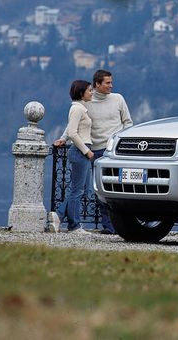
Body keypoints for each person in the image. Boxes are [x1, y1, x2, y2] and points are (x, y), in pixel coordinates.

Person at [54, 69, 133, 234]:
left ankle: (109, 226)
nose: (111, 86)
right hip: (89, 150)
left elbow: (127, 123)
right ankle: (63, 218)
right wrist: (63, 138)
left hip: (111, 151)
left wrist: (123, 145)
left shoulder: (118, 99)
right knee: (87, 190)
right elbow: (73, 125)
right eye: (107, 83)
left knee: (108, 189)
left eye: (111, 82)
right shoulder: (86, 102)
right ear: (97, 84)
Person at [49, 80, 94, 234]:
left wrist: (63, 138)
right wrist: (86, 151)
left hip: (82, 151)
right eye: (89, 90)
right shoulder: (77, 109)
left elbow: (70, 128)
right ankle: (74, 225)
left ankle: (59, 215)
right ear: (81, 93)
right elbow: (74, 133)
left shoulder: (80, 108)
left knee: (82, 189)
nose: (92, 92)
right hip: (81, 151)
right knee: (77, 191)